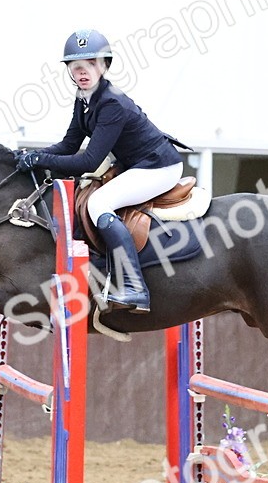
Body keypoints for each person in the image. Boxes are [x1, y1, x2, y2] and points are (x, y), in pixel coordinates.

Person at [15, 29, 184, 314]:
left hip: (159, 167)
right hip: (137, 164)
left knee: (98, 203)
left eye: (90, 65)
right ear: (69, 71)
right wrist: (32, 155)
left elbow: (88, 162)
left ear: (103, 66)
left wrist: (41, 160)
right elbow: (69, 145)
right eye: (76, 66)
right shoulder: (84, 99)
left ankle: (135, 288)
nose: (83, 72)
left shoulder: (110, 103)